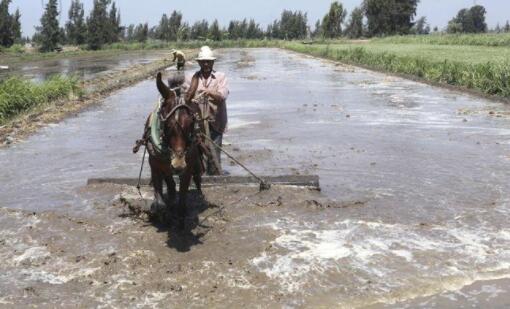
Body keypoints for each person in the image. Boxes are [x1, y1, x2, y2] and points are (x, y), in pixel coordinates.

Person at [184, 46, 229, 175]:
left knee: (214, 154)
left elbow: (222, 95)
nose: (206, 64)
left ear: (213, 62)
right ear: (198, 63)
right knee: (199, 154)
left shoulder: (221, 77)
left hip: (216, 123)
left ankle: (215, 176)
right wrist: (191, 99)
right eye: (203, 61)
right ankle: (202, 180)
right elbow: (185, 98)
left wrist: (208, 92)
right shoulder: (191, 78)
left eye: (208, 61)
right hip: (197, 125)